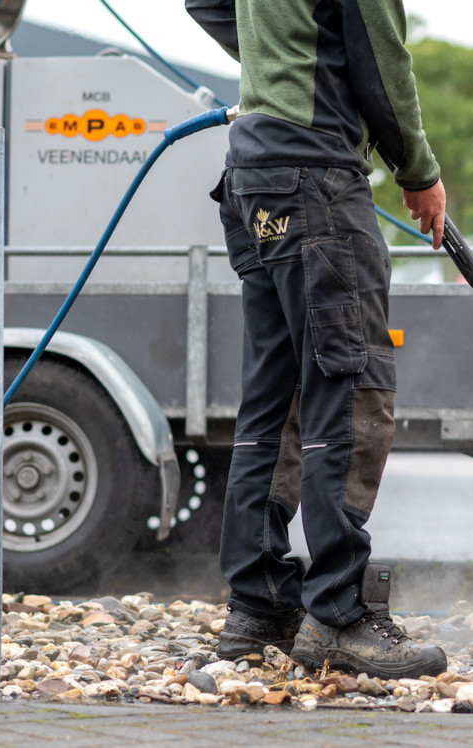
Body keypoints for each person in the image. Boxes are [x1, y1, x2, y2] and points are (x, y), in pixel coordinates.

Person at [185, 0, 448, 679]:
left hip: (254, 176)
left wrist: (275, 74)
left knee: (275, 395)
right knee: (352, 385)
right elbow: (384, 66)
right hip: (316, 178)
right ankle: (338, 615)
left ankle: (259, 605)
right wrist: (418, 173)